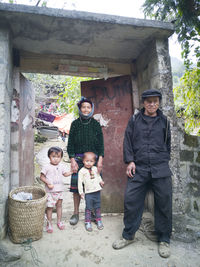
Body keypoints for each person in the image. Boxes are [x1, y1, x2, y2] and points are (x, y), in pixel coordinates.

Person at [112, 89, 172, 258]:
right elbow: (128, 141)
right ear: (143, 103)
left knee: (164, 203)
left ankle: (164, 239)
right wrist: (130, 161)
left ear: (159, 102)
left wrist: (162, 159)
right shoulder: (134, 120)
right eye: (148, 101)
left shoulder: (165, 122)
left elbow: (168, 144)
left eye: (155, 101)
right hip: (139, 168)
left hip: (160, 168)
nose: (152, 104)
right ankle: (128, 236)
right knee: (131, 200)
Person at [67, 97, 104, 225]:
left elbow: (101, 145)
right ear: (80, 109)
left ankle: (93, 213)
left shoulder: (95, 124)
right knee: (76, 188)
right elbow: (70, 143)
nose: (86, 109)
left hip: (93, 160)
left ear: (92, 109)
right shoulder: (75, 124)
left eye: (88, 107)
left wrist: (100, 160)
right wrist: (72, 160)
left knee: (93, 187)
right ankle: (76, 213)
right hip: (78, 159)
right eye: (83, 107)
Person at [40, 146, 72, 233]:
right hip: (50, 192)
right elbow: (42, 177)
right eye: (53, 156)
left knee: (59, 206)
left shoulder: (62, 166)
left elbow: (65, 174)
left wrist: (72, 172)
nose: (56, 159)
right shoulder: (46, 167)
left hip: (59, 191)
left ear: (61, 157)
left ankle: (59, 221)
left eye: (58, 157)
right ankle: (49, 223)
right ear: (49, 157)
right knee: (49, 208)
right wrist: (48, 183)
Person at [78, 152, 105, 231]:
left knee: (97, 206)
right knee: (88, 208)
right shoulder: (81, 171)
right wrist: (81, 192)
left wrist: (101, 181)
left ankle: (98, 220)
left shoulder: (95, 168)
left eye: (91, 161)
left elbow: (98, 176)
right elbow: (79, 183)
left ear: (94, 162)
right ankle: (87, 221)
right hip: (88, 193)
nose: (89, 163)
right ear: (83, 161)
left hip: (97, 191)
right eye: (87, 161)